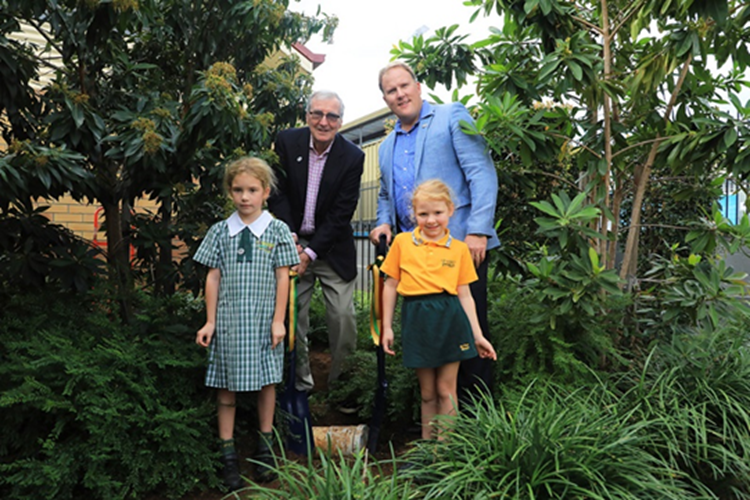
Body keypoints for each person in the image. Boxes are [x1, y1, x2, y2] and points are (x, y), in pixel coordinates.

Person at [369, 61, 500, 402]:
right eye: (391, 90)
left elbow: (481, 172)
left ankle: (477, 420)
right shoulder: (385, 148)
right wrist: (383, 220)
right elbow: (386, 194)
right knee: (430, 342)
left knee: (470, 332)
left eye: (403, 86)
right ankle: (439, 422)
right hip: (415, 260)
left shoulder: (450, 116)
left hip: (460, 248)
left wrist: (478, 230)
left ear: (418, 86)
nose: (399, 94)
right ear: (385, 98)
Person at [194, 157, 299, 491]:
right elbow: (213, 277)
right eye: (238, 190)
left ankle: (265, 449)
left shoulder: (278, 230)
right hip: (228, 323)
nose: (244, 197)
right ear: (229, 192)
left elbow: (284, 278)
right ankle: (228, 457)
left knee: (267, 383)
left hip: (264, 324)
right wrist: (210, 321)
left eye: (252, 190)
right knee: (226, 389)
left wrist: (279, 321)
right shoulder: (220, 231)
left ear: (265, 192)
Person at [380, 179, 497, 440]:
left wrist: (477, 335)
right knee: (427, 393)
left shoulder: (458, 250)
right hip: (417, 319)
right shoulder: (401, 243)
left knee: (446, 389)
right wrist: (387, 327)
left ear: (451, 211)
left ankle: (445, 453)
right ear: (414, 214)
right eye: (423, 214)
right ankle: (427, 450)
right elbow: (390, 286)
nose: (431, 220)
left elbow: (465, 295)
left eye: (437, 213)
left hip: (450, 320)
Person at [267, 90, 365, 397]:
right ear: (307, 115)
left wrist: (310, 252)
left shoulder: (353, 157)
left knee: (343, 318)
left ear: (340, 121)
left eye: (331, 116)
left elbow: (341, 214)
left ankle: (343, 388)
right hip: (292, 242)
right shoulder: (286, 141)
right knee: (293, 316)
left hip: (332, 247)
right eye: (317, 114)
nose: (324, 122)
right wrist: (290, 238)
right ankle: (301, 385)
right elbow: (276, 192)